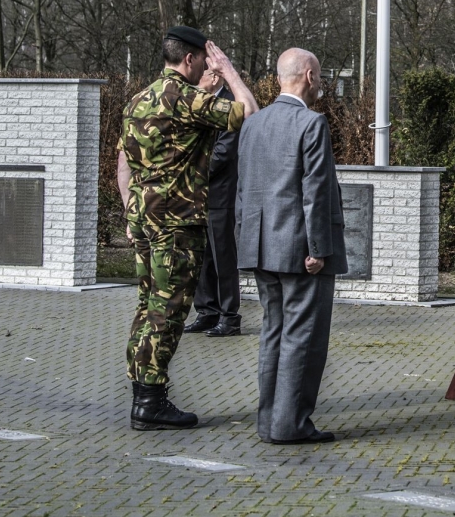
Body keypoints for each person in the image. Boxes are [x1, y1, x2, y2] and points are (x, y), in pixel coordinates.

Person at [116, 26, 258, 430]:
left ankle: (143, 393)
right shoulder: (185, 97)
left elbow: (128, 163)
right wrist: (229, 72)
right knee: (168, 313)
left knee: (148, 307)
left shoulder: (137, 101)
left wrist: (131, 211)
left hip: (144, 218)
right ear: (192, 59)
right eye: (206, 59)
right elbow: (249, 113)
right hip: (175, 223)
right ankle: (150, 402)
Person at [236, 47, 347, 445]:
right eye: (320, 74)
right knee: (303, 338)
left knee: (273, 334)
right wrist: (319, 248)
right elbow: (314, 192)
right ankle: (291, 425)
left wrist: (244, 240)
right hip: (301, 251)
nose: (322, 82)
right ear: (309, 76)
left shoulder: (254, 123)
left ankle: (269, 423)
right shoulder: (311, 123)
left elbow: (243, 190)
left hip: (261, 246)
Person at [183, 69, 244, 337]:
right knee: (201, 257)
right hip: (196, 195)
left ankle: (229, 317)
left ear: (215, 78)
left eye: (201, 77)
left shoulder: (229, 107)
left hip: (220, 195)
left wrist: (186, 169)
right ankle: (207, 312)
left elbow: (222, 154)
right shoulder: (200, 105)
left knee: (223, 257)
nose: (195, 82)